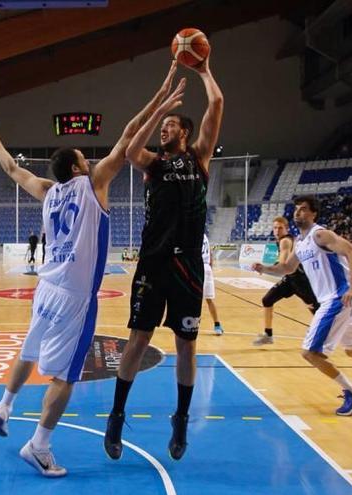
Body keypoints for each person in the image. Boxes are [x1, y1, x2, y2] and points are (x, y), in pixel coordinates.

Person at [0, 61, 186, 477]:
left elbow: (12, 170)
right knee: (65, 377)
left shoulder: (48, 191)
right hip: (74, 297)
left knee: (30, 351)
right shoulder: (94, 185)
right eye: (83, 157)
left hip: (46, 289)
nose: (90, 160)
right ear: (76, 168)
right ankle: (39, 445)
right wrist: (160, 100)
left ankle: (4, 405)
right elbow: (128, 137)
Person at [105, 56, 224, 462]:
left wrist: (204, 70)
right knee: (138, 340)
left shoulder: (199, 159)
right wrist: (160, 107)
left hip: (188, 265)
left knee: (186, 347)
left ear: (186, 133)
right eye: (163, 126)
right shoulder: (153, 164)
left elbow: (218, 105)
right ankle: (117, 415)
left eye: (171, 125)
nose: (164, 128)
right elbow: (128, 148)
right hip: (153, 263)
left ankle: (182, 419)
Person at [253, 196, 352, 416]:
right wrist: (264, 268)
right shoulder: (300, 244)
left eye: (303, 209)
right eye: (296, 209)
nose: (298, 213)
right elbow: (287, 269)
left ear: (313, 214)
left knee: (310, 353)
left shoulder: (321, 234)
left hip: (337, 299)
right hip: (338, 302)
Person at [252, 216, 320, 346]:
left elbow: (283, 265)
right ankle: (268, 335)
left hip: (301, 280)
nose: (277, 231)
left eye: (280, 228)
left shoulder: (285, 241)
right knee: (267, 299)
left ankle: (325, 331)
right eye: (275, 228)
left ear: (287, 229)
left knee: (315, 309)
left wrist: (264, 268)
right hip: (290, 279)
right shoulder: (284, 241)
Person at [202, 234, 223, 335]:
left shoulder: (192, 234)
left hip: (198, 267)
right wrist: (211, 267)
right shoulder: (205, 236)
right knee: (209, 300)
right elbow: (210, 253)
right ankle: (217, 325)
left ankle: (190, 324)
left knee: (192, 298)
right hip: (207, 268)